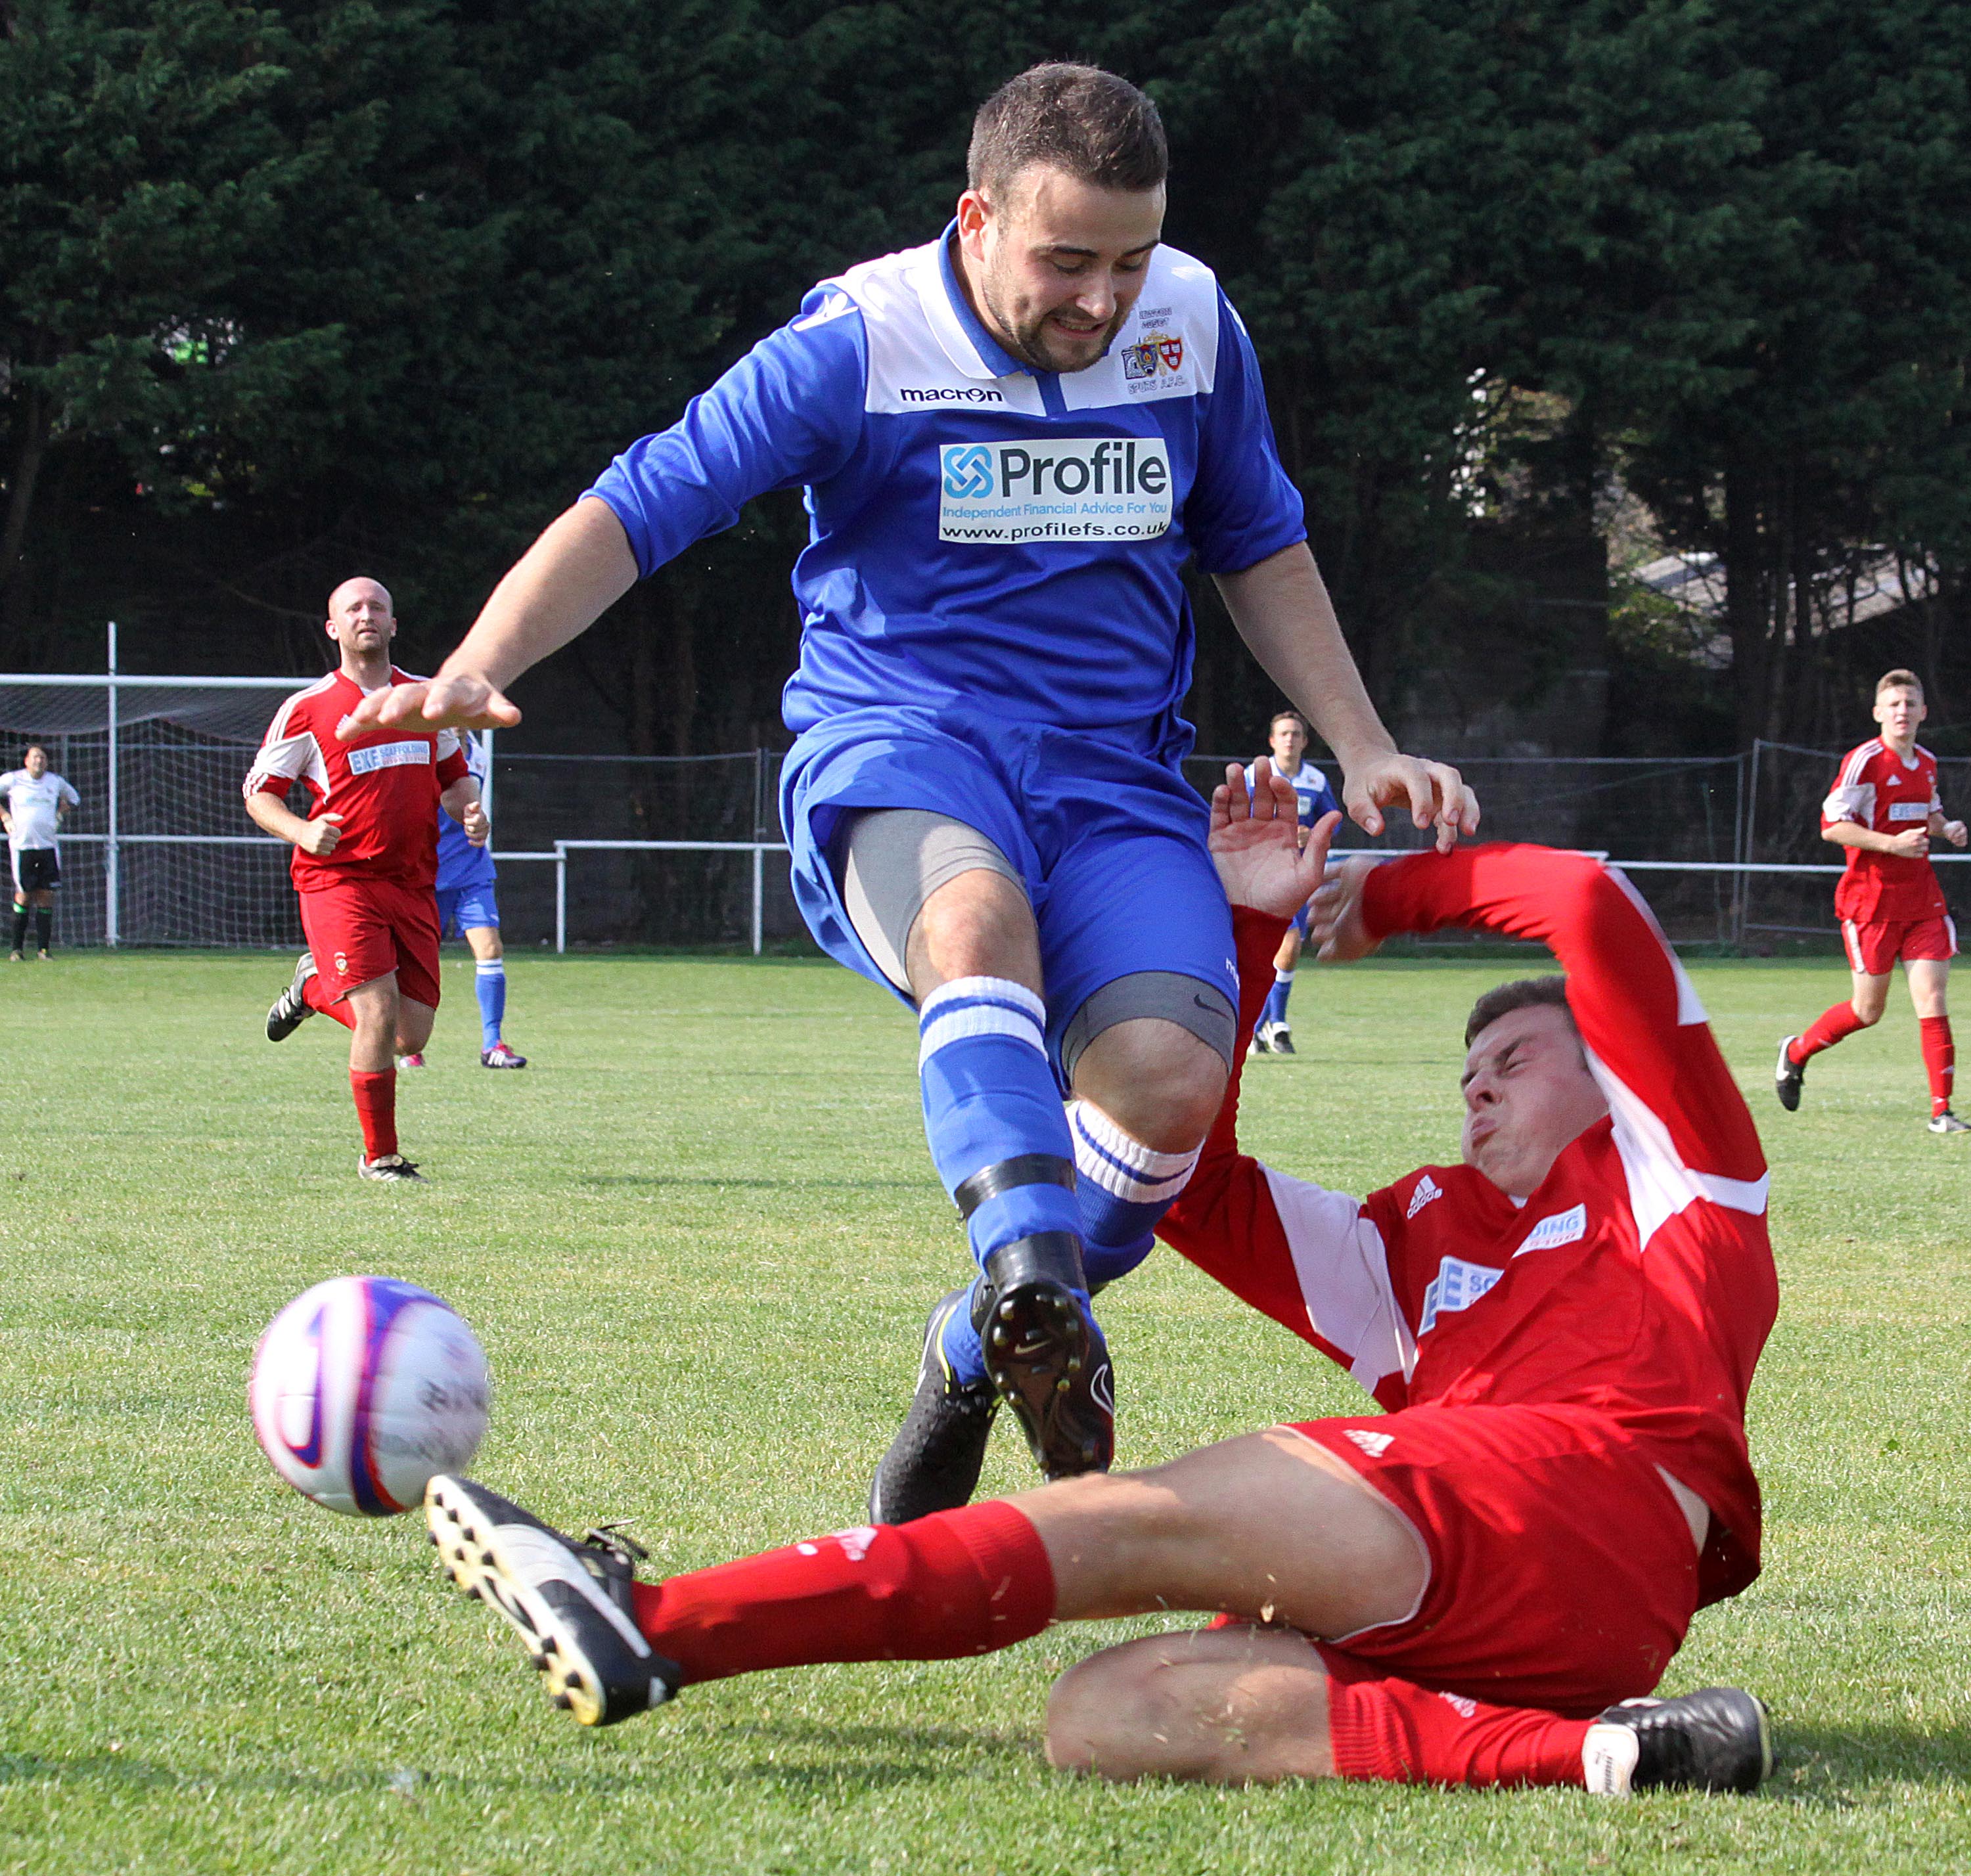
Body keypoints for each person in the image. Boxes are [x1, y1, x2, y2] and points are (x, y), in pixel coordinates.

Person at [342, 64, 1476, 1513]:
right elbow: (646, 500)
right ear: (978, 217)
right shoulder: (859, 342)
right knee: (972, 917)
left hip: (1114, 781)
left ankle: (979, 1341)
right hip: (901, 751)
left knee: (1168, 1091)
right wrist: (477, 662)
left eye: (1130, 260)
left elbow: (1258, 543)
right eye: (1067, 261)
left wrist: (1364, 741)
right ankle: (1024, 1271)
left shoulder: (1194, 322)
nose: (1103, 300)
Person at [416, 769, 1775, 1798]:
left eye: (1518, 1060)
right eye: (1467, 1074)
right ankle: (1601, 1756)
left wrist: (1387, 903)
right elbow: (1199, 1179)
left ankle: (660, 1627)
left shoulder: (1678, 1175)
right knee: (1113, 1715)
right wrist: (1246, 934)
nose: (1478, 1088)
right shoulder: (1411, 1237)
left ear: (1609, 1074)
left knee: (1115, 1526)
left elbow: (1582, 903)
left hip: (1586, 1499)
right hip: (1577, 1633)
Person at [244, 577, 486, 1181]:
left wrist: (471, 808)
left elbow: (455, 777)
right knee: (377, 1015)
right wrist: (302, 832)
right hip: (338, 880)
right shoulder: (308, 708)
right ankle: (381, 1158)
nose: (366, 615)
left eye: (377, 606)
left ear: (394, 624)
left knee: (410, 1037)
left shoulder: (428, 700)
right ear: (333, 629)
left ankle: (314, 989)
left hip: (411, 884)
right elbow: (259, 796)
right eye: (352, 609)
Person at [1775, 668, 1969, 1133]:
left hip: (1922, 900)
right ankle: (1796, 1051)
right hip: (1871, 903)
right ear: (1879, 712)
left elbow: (1929, 812)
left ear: (1924, 712)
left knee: (1934, 999)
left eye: (1910, 704)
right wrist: (1890, 844)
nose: (1903, 712)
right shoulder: (1864, 761)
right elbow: (1831, 826)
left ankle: (1942, 1112)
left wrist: (1948, 828)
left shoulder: (1925, 761)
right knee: (1868, 1012)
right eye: (1894, 704)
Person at [401, 732, 526, 1070]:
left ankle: (493, 1045)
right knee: (416, 962)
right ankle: (407, 1045)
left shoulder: (478, 752)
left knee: (490, 949)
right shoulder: (425, 750)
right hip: (427, 874)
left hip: (472, 869)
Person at [1242, 709, 1341, 1055]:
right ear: (1272, 741)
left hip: (1299, 875)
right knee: (1274, 945)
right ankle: (1272, 1026)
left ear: (1304, 741)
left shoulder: (1314, 781)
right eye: (1283, 733)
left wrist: (1312, 833)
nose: (1289, 739)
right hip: (1261, 872)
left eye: (1296, 734)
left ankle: (1265, 1027)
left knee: (1290, 945)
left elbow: (1333, 822)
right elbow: (1237, 819)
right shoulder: (1254, 776)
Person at [2, 746, 81, 961]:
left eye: (43, 758)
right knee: (24, 896)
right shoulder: (13, 780)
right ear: (26, 760)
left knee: (46, 896)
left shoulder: (54, 782)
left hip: (48, 848)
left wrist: (60, 813)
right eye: (36, 757)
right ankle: (17, 950)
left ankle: (44, 950)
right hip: (23, 847)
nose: (40, 761)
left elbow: (74, 799)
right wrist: (5, 816)